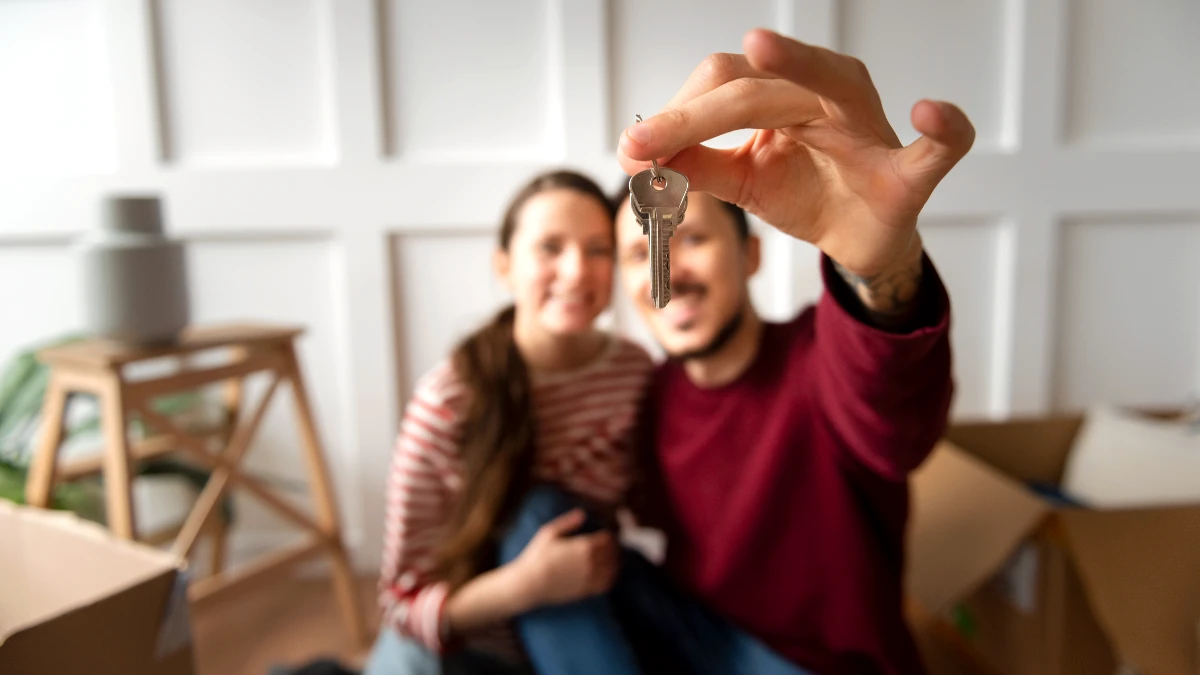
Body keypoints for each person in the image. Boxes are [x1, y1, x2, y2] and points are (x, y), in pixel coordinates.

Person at [516, 28, 975, 675]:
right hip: (695, 636)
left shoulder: (821, 355)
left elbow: (893, 418)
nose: (669, 262)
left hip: (813, 663)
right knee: (534, 522)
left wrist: (881, 268)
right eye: (639, 249)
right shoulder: (648, 395)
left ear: (750, 253)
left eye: (692, 236)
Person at [363, 170, 657, 675]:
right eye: (550, 248)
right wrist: (528, 585)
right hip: (467, 649)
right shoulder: (450, 400)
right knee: (537, 507)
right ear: (505, 267)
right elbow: (400, 605)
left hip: (581, 623)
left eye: (597, 249)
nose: (576, 272)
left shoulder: (634, 372)